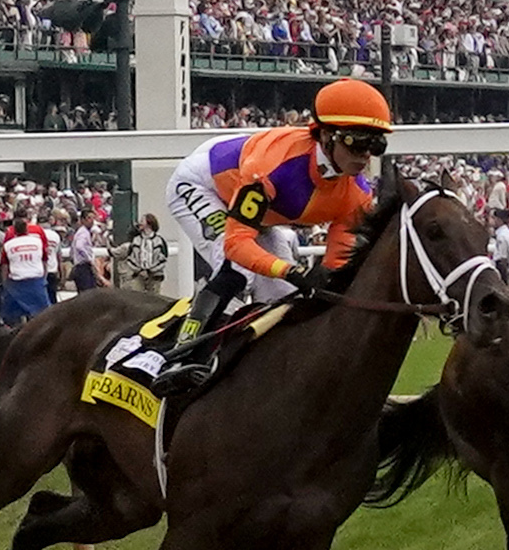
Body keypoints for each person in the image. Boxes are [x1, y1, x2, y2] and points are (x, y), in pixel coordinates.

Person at [147, 79, 392, 396]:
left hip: (259, 210)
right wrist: (292, 270)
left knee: (283, 293)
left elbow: (334, 267)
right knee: (238, 269)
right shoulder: (273, 166)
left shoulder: (357, 193)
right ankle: (181, 356)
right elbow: (236, 244)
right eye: (358, 144)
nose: (365, 158)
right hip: (202, 186)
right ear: (328, 136)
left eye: (376, 146)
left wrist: (319, 280)